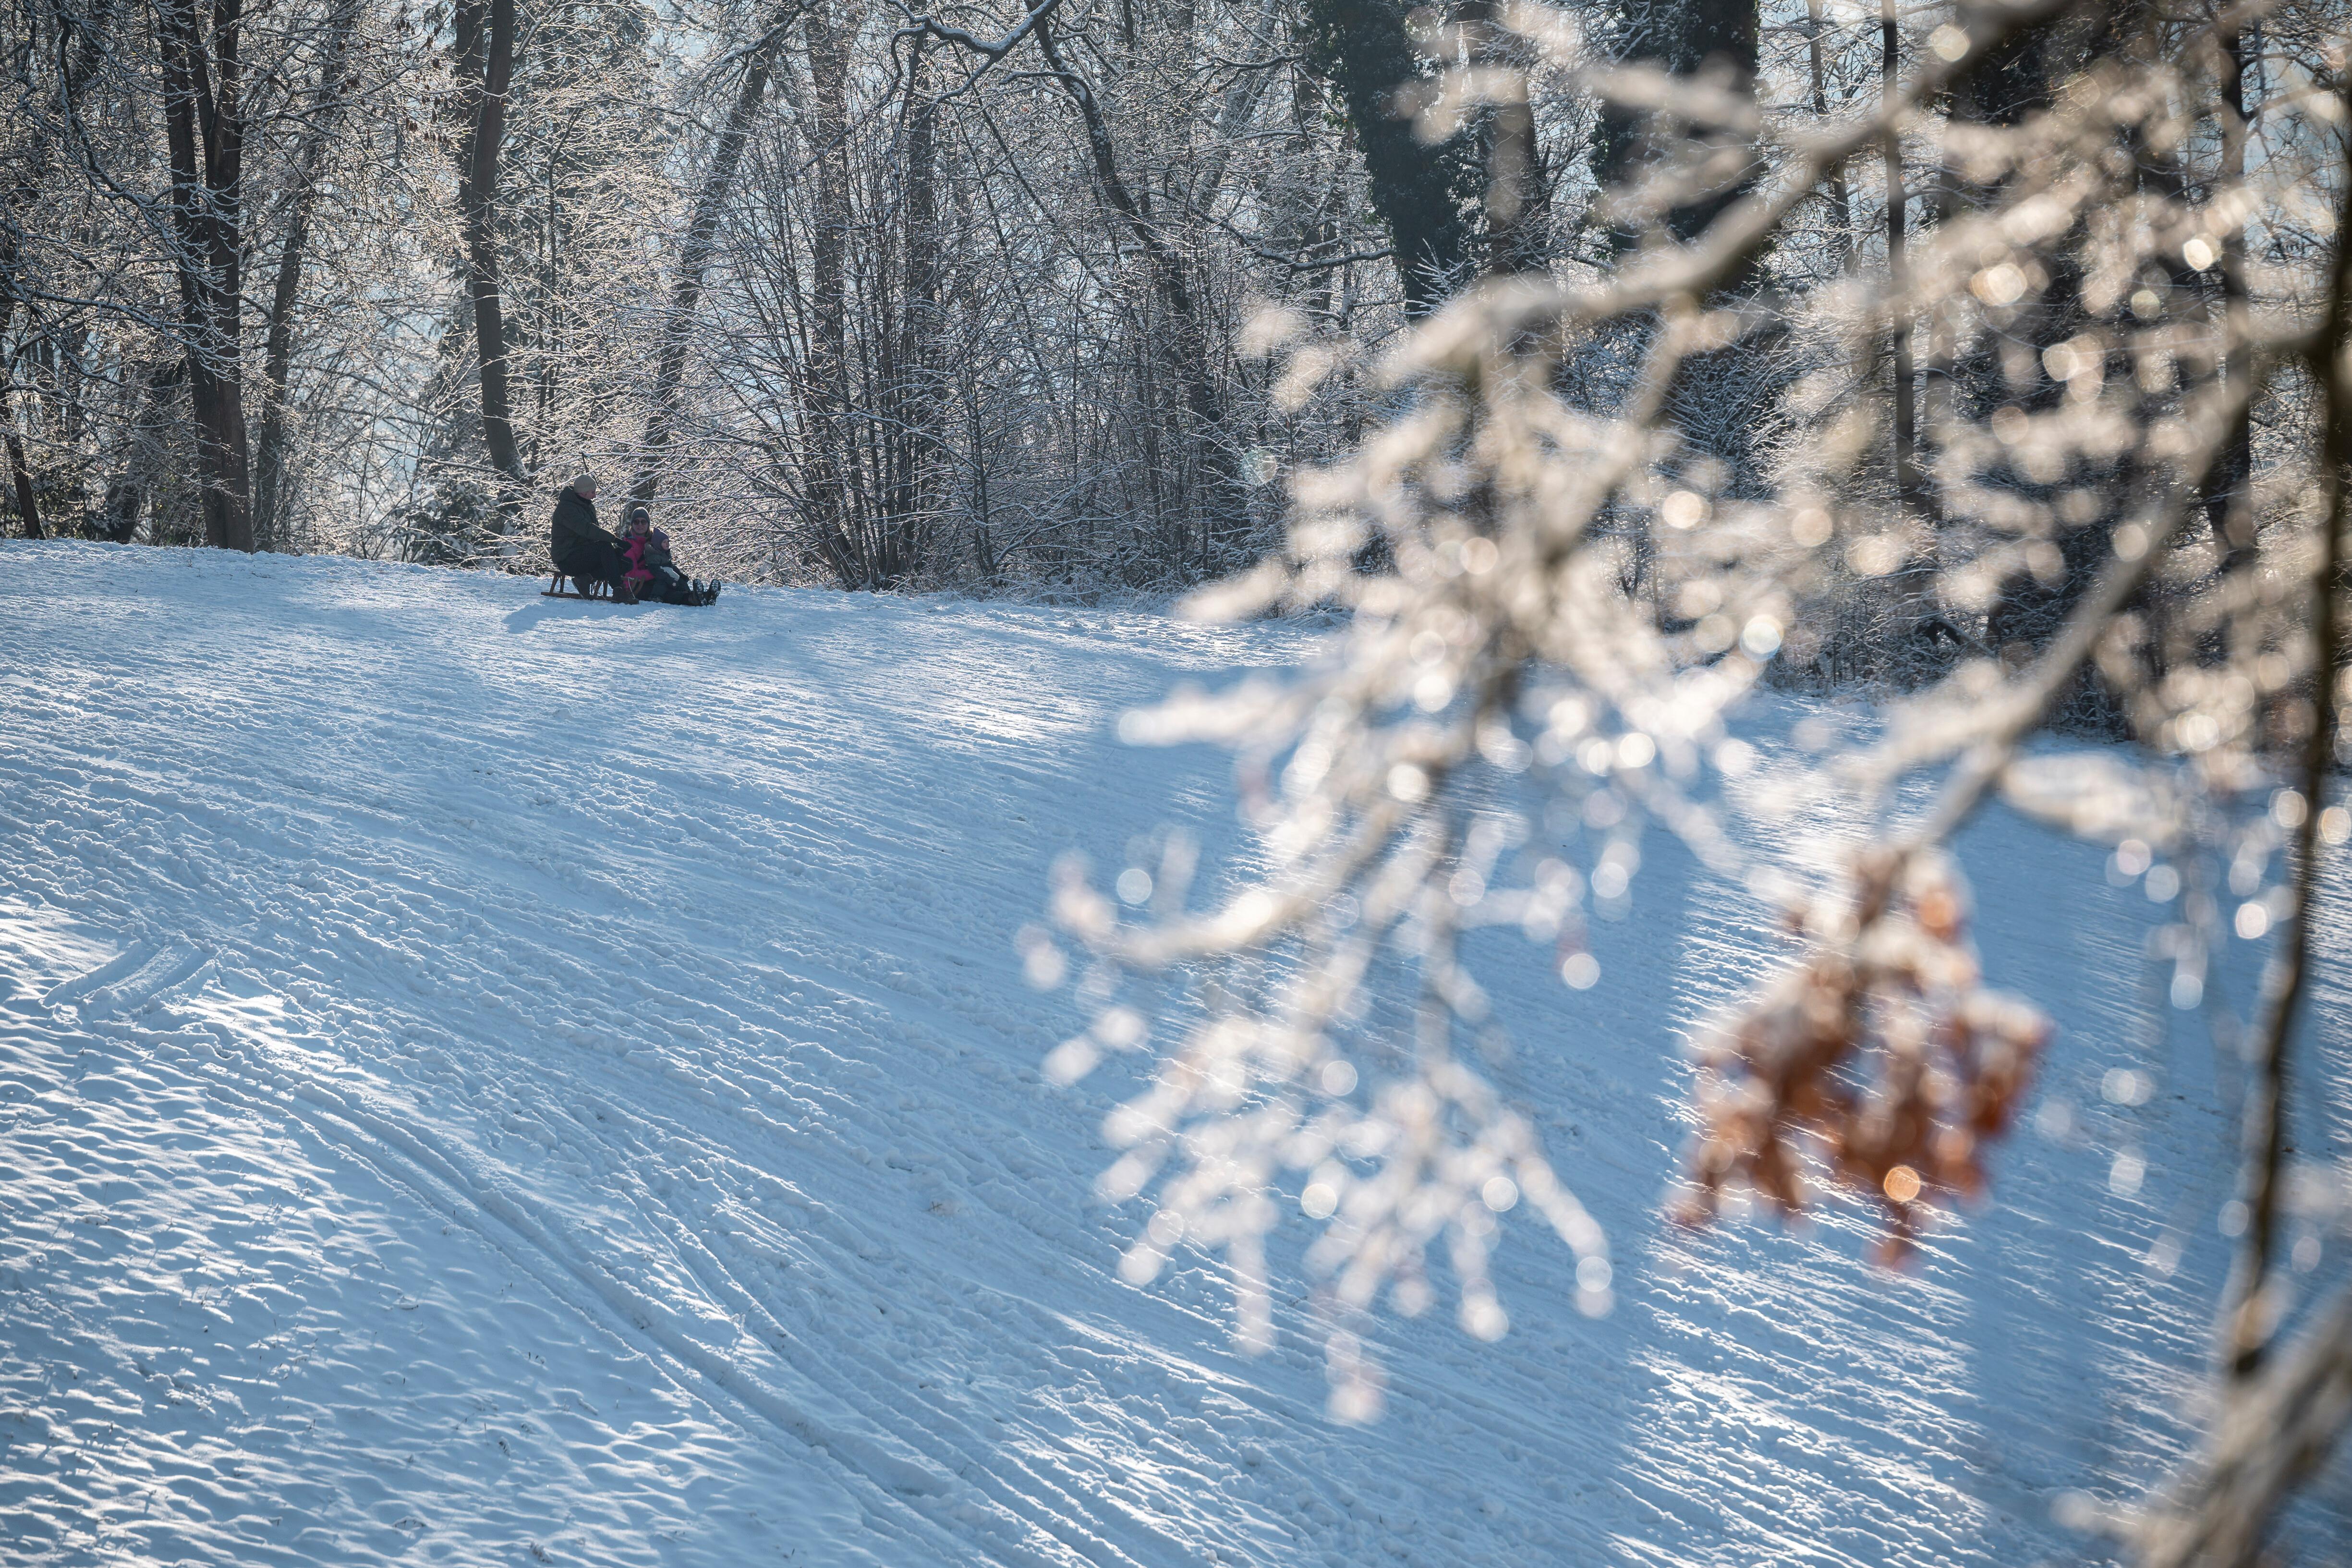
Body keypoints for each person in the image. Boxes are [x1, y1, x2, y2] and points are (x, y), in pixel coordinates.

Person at [549, 473, 634, 601]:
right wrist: (615, 540)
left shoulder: (588, 507)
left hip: (585, 556)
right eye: (593, 492)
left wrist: (615, 551)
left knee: (625, 563)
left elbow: (595, 536)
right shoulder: (566, 509)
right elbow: (588, 529)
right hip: (568, 559)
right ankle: (618, 590)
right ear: (583, 493)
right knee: (605, 547)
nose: (595, 495)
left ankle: (585, 578)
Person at [619, 504, 722, 606]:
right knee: (663, 592)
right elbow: (631, 574)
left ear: (648, 524)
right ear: (632, 524)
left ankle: (705, 596)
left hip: (653, 578)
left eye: (644, 522)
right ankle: (692, 599)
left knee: (673, 582)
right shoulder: (628, 545)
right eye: (636, 522)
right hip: (635, 586)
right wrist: (658, 572)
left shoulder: (654, 541)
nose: (640, 525)